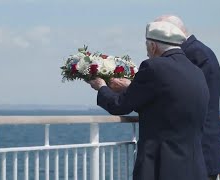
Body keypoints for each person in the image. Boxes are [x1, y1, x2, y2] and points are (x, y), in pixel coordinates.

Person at [88, 21, 209, 180]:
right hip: (194, 167)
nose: (147, 54)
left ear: (153, 46)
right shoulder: (197, 72)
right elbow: (170, 104)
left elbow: (120, 106)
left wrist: (102, 87)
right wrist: (131, 88)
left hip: (161, 167)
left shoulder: (153, 67)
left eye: (147, 48)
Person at [154, 15, 220, 180]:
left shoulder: (191, 54)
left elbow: (177, 97)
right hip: (204, 150)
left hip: (196, 152)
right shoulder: (200, 51)